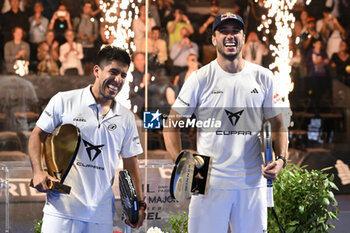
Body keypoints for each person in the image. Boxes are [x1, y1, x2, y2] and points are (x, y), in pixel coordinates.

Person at [163, 12, 287, 233]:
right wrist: (182, 164)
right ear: (213, 39)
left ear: (244, 37)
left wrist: (281, 160)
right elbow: (171, 124)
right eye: (223, 31)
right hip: (206, 180)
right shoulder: (200, 78)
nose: (230, 36)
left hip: (251, 182)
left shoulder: (263, 77)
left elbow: (278, 125)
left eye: (235, 31)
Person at [29, 45, 145, 232]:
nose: (118, 80)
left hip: (100, 215)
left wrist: (139, 204)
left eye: (123, 75)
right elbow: (37, 135)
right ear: (97, 71)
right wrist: (37, 171)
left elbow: (131, 163)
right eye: (113, 72)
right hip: (60, 211)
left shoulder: (127, 117)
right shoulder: (64, 100)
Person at [73, 1, 99, 74]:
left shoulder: (94, 21)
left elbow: (96, 34)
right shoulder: (77, 19)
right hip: (79, 44)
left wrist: (93, 38)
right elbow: (73, 32)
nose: (87, 9)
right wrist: (78, 35)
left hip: (90, 45)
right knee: (79, 63)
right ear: (83, 8)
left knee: (89, 64)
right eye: (86, 7)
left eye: (89, 7)